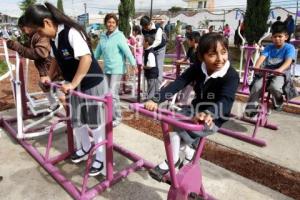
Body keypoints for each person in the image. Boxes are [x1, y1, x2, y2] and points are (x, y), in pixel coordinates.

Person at [24, 2, 108, 177]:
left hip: (92, 83)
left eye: (38, 31)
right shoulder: (54, 38)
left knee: (96, 122)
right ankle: (85, 147)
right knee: (77, 119)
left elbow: (85, 58)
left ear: (47, 23)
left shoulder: (71, 32)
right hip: (75, 84)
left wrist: (72, 83)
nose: (39, 35)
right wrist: (49, 75)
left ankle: (101, 157)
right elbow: (55, 59)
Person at [144, 33, 239, 180]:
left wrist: (209, 113)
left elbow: (226, 101)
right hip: (195, 109)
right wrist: (156, 99)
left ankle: (177, 158)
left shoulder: (231, 75)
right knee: (170, 119)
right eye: (212, 54)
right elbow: (179, 82)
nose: (220, 59)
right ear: (201, 56)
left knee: (178, 128)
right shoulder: (198, 67)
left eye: (224, 52)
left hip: (214, 117)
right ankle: (182, 156)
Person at [6, 15, 61, 112]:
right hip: (46, 67)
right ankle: (56, 104)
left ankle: (70, 118)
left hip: (52, 67)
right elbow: (30, 48)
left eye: (23, 27)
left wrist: (18, 47)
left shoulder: (40, 34)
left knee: (60, 92)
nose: (22, 30)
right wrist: (17, 45)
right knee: (45, 85)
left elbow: (40, 53)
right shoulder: (33, 36)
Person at [245, 21, 296, 117]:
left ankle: (278, 102)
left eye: (280, 36)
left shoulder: (289, 48)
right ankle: (251, 110)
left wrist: (280, 69)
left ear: (286, 37)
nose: (277, 39)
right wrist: (256, 67)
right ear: (272, 37)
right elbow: (262, 57)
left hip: (280, 74)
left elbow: (288, 61)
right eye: (275, 36)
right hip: (266, 73)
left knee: (275, 87)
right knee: (256, 87)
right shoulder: (269, 47)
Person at [95, 13, 136, 127]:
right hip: (107, 69)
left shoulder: (119, 36)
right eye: (109, 22)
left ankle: (117, 117)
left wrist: (133, 64)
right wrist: (90, 62)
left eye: (113, 22)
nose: (111, 24)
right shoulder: (103, 36)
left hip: (117, 68)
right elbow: (97, 53)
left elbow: (127, 51)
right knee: (106, 94)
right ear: (105, 23)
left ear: (116, 24)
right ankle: (110, 115)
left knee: (113, 94)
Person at [140, 16, 167, 86]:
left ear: (150, 23)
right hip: (150, 49)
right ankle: (149, 88)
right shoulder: (143, 29)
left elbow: (158, 41)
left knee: (158, 68)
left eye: (146, 26)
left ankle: (158, 90)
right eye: (144, 27)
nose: (145, 29)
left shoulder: (158, 28)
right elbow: (144, 39)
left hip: (160, 49)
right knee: (148, 67)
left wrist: (149, 47)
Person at [143, 35, 159, 100]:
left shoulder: (150, 52)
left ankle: (149, 101)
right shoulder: (147, 51)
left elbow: (150, 65)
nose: (142, 42)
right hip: (150, 75)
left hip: (152, 75)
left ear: (147, 43)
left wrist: (143, 67)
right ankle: (149, 100)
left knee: (152, 90)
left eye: (143, 41)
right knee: (150, 88)